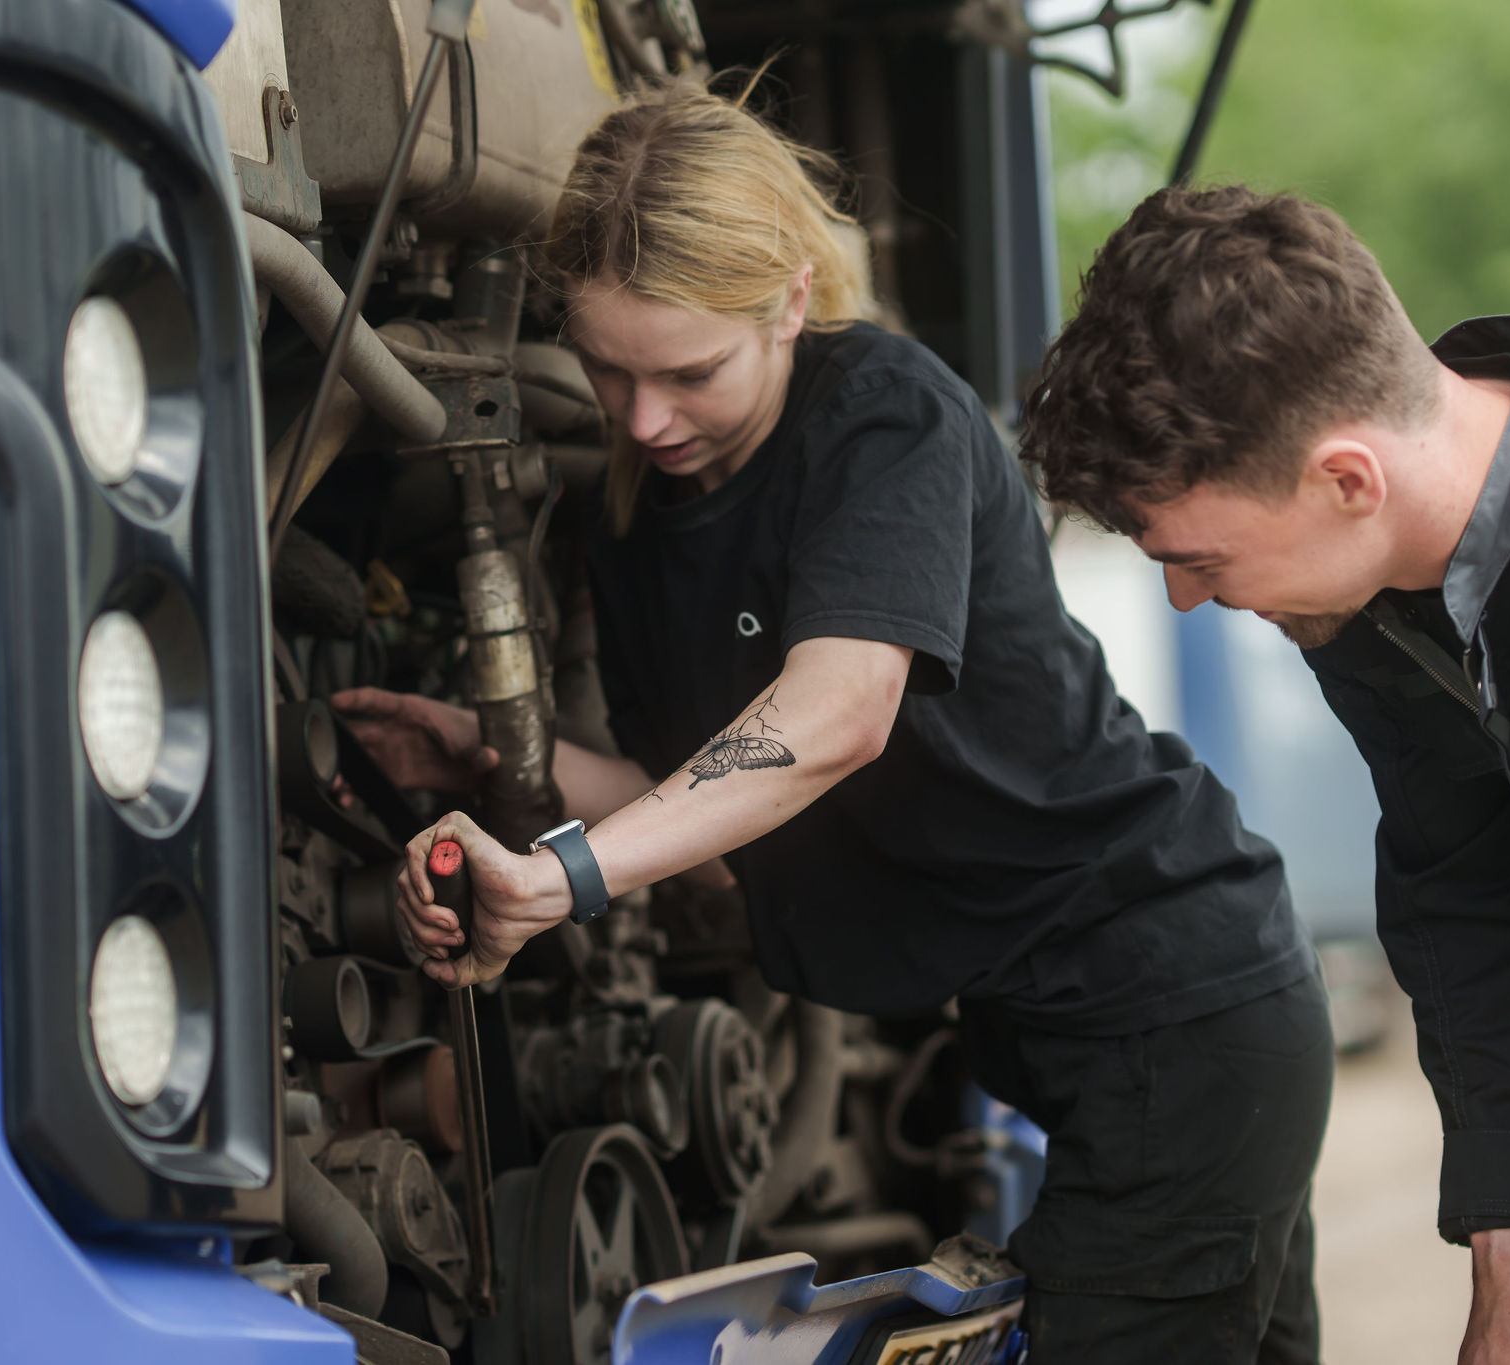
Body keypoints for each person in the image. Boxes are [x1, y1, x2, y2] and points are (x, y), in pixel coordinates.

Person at [338, 83, 1333, 1363]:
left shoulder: (882, 415)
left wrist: (563, 877)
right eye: (605, 370)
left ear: (792, 301)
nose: (642, 420)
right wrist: (500, 768)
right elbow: (686, 787)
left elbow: (833, 716)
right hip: (1065, 1040)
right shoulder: (639, 511)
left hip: (1176, 1007)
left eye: (689, 372)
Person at [1021, 181, 1510, 1365]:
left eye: (1195, 557)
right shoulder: (1376, 588)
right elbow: (1473, 895)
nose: (1184, 597)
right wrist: (1505, 1282)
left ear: (1344, 478)